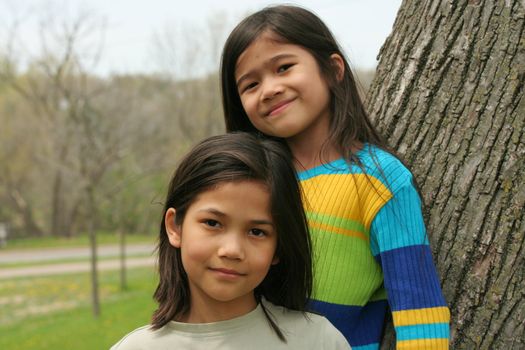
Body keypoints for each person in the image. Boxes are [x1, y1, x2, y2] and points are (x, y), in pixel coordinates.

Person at [220, 5, 450, 350]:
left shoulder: (380, 179)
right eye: (250, 85)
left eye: (284, 67)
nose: (269, 89)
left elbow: (420, 312)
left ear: (332, 69)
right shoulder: (248, 182)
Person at [110, 133, 351, 350]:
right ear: (175, 227)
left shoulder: (320, 341)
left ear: (279, 246)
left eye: (257, 232)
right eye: (213, 223)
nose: (232, 250)